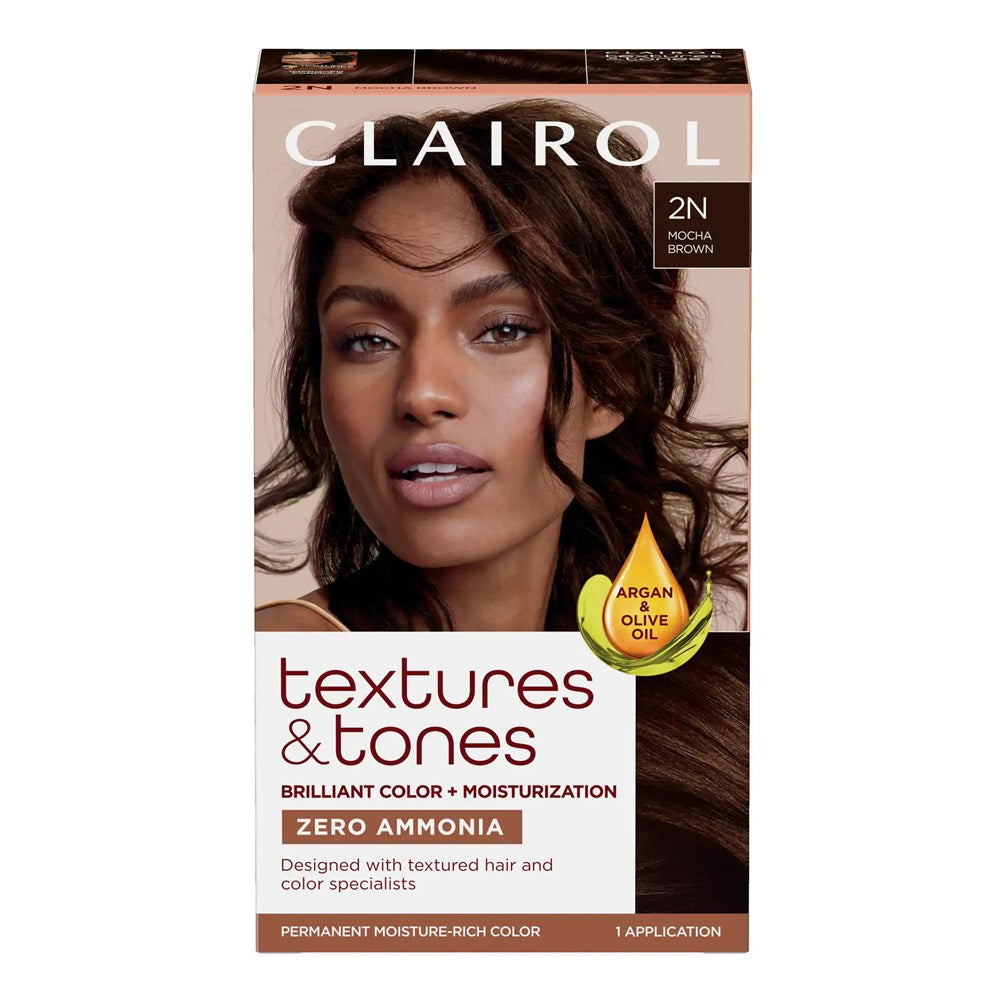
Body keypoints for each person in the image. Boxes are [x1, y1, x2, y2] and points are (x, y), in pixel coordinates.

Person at [255, 98, 747, 633]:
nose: (421, 394)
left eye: (503, 331)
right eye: (369, 340)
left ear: (612, 379)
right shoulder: (277, 662)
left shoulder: (654, 656)